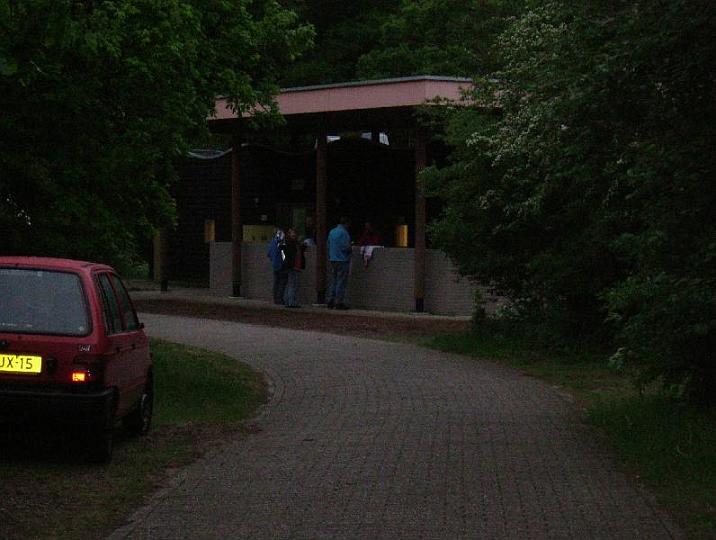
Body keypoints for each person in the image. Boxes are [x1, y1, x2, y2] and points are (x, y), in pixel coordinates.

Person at [326, 216, 352, 309]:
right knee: (341, 282)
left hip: (333, 259)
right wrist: (350, 249)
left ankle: (330, 300)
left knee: (334, 280)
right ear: (346, 223)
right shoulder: (344, 233)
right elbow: (346, 247)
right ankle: (338, 302)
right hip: (342, 259)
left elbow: (328, 244)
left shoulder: (332, 232)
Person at [281, 228, 306, 308]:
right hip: (293, 266)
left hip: (294, 266)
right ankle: (291, 302)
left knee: (291, 284)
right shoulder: (291, 244)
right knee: (293, 284)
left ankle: (289, 301)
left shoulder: (292, 243)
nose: (294, 235)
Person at [266, 228, 287, 305]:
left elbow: (269, 254)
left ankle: (275, 299)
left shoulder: (272, 242)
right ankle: (280, 299)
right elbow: (284, 254)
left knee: (276, 283)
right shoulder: (281, 243)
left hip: (275, 264)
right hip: (281, 265)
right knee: (282, 282)